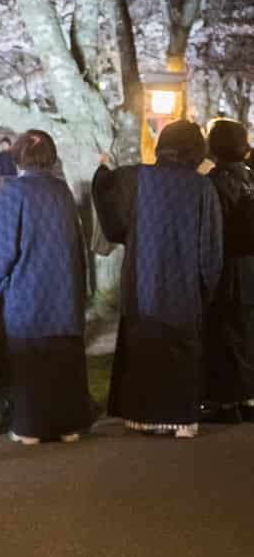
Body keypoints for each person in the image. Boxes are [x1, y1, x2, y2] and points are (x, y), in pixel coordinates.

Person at [92, 120, 223, 438]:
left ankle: (144, 416)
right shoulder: (201, 187)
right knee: (181, 348)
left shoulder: (135, 179)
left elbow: (111, 213)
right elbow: (211, 244)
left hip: (143, 279)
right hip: (184, 283)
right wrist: (207, 285)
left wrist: (102, 170)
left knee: (144, 344)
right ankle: (181, 419)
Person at [0, 130, 95, 444]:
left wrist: (1, 282)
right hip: (64, 290)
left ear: (17, 156)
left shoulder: (12, 193)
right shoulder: (61, 192)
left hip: (28, 292)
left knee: (31, 361)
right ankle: (70, 423)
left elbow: (0, 247)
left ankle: (31, 426)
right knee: (64, 358)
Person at [202, 119, 254, 423]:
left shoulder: (214, 181)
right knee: (248, 331)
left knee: (226, 332)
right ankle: (249, 398)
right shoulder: (250, 176)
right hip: (251, 265)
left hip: (228, 266)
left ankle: (227, 401)